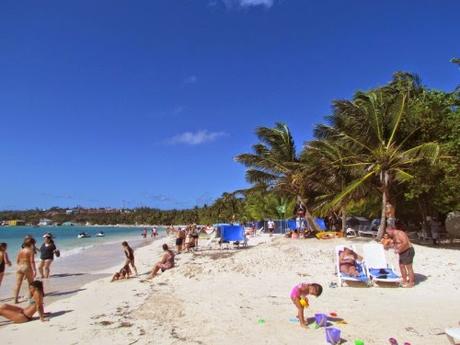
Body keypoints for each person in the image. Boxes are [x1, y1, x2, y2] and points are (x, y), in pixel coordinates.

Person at [14, 238, 36, 304]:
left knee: (18, 284)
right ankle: (31, 300)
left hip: (19, 267)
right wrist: (34, 270)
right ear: (31, 244)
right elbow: (32, 261)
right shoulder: (30, 251)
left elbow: (17, 260)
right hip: (27, 267)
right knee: (31, 284)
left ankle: (15, 300)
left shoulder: (21, 250)